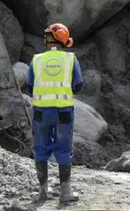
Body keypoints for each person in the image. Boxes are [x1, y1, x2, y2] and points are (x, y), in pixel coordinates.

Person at [25, 23, 83, 203]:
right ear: (64, 41)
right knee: (64, 149)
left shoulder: (36, 59)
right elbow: (78, 86)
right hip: (63, 112)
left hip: (41, 112)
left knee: (40, 149)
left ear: (49, 40)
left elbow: (29, 86)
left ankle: (43, 191)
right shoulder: (70, 59)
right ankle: (65, 193)